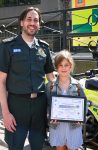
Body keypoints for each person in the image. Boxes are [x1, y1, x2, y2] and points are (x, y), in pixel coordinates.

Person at [0, 7, 55, 150]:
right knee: (15, 146)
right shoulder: (7, 46)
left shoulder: (44, 48)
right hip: (16, 105)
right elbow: (1, 81)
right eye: (29, 19)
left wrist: (71, 88)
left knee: (37, 145)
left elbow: (52, 79)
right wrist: (5, 113)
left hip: (39, 105)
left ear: (39, 24)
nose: (32, 23)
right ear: (21, 22)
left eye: (36, 20)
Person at [46, 50, 86, 150]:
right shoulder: (50, 85)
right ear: (56, 67)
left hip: (73, 127)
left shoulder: (78, 85)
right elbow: (46, 106)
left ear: (70, 66)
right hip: (57, 127)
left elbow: (84, 105)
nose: (63, 68)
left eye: (66, 65)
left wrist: (81, 119)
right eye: (60, 65)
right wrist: (49, 118)